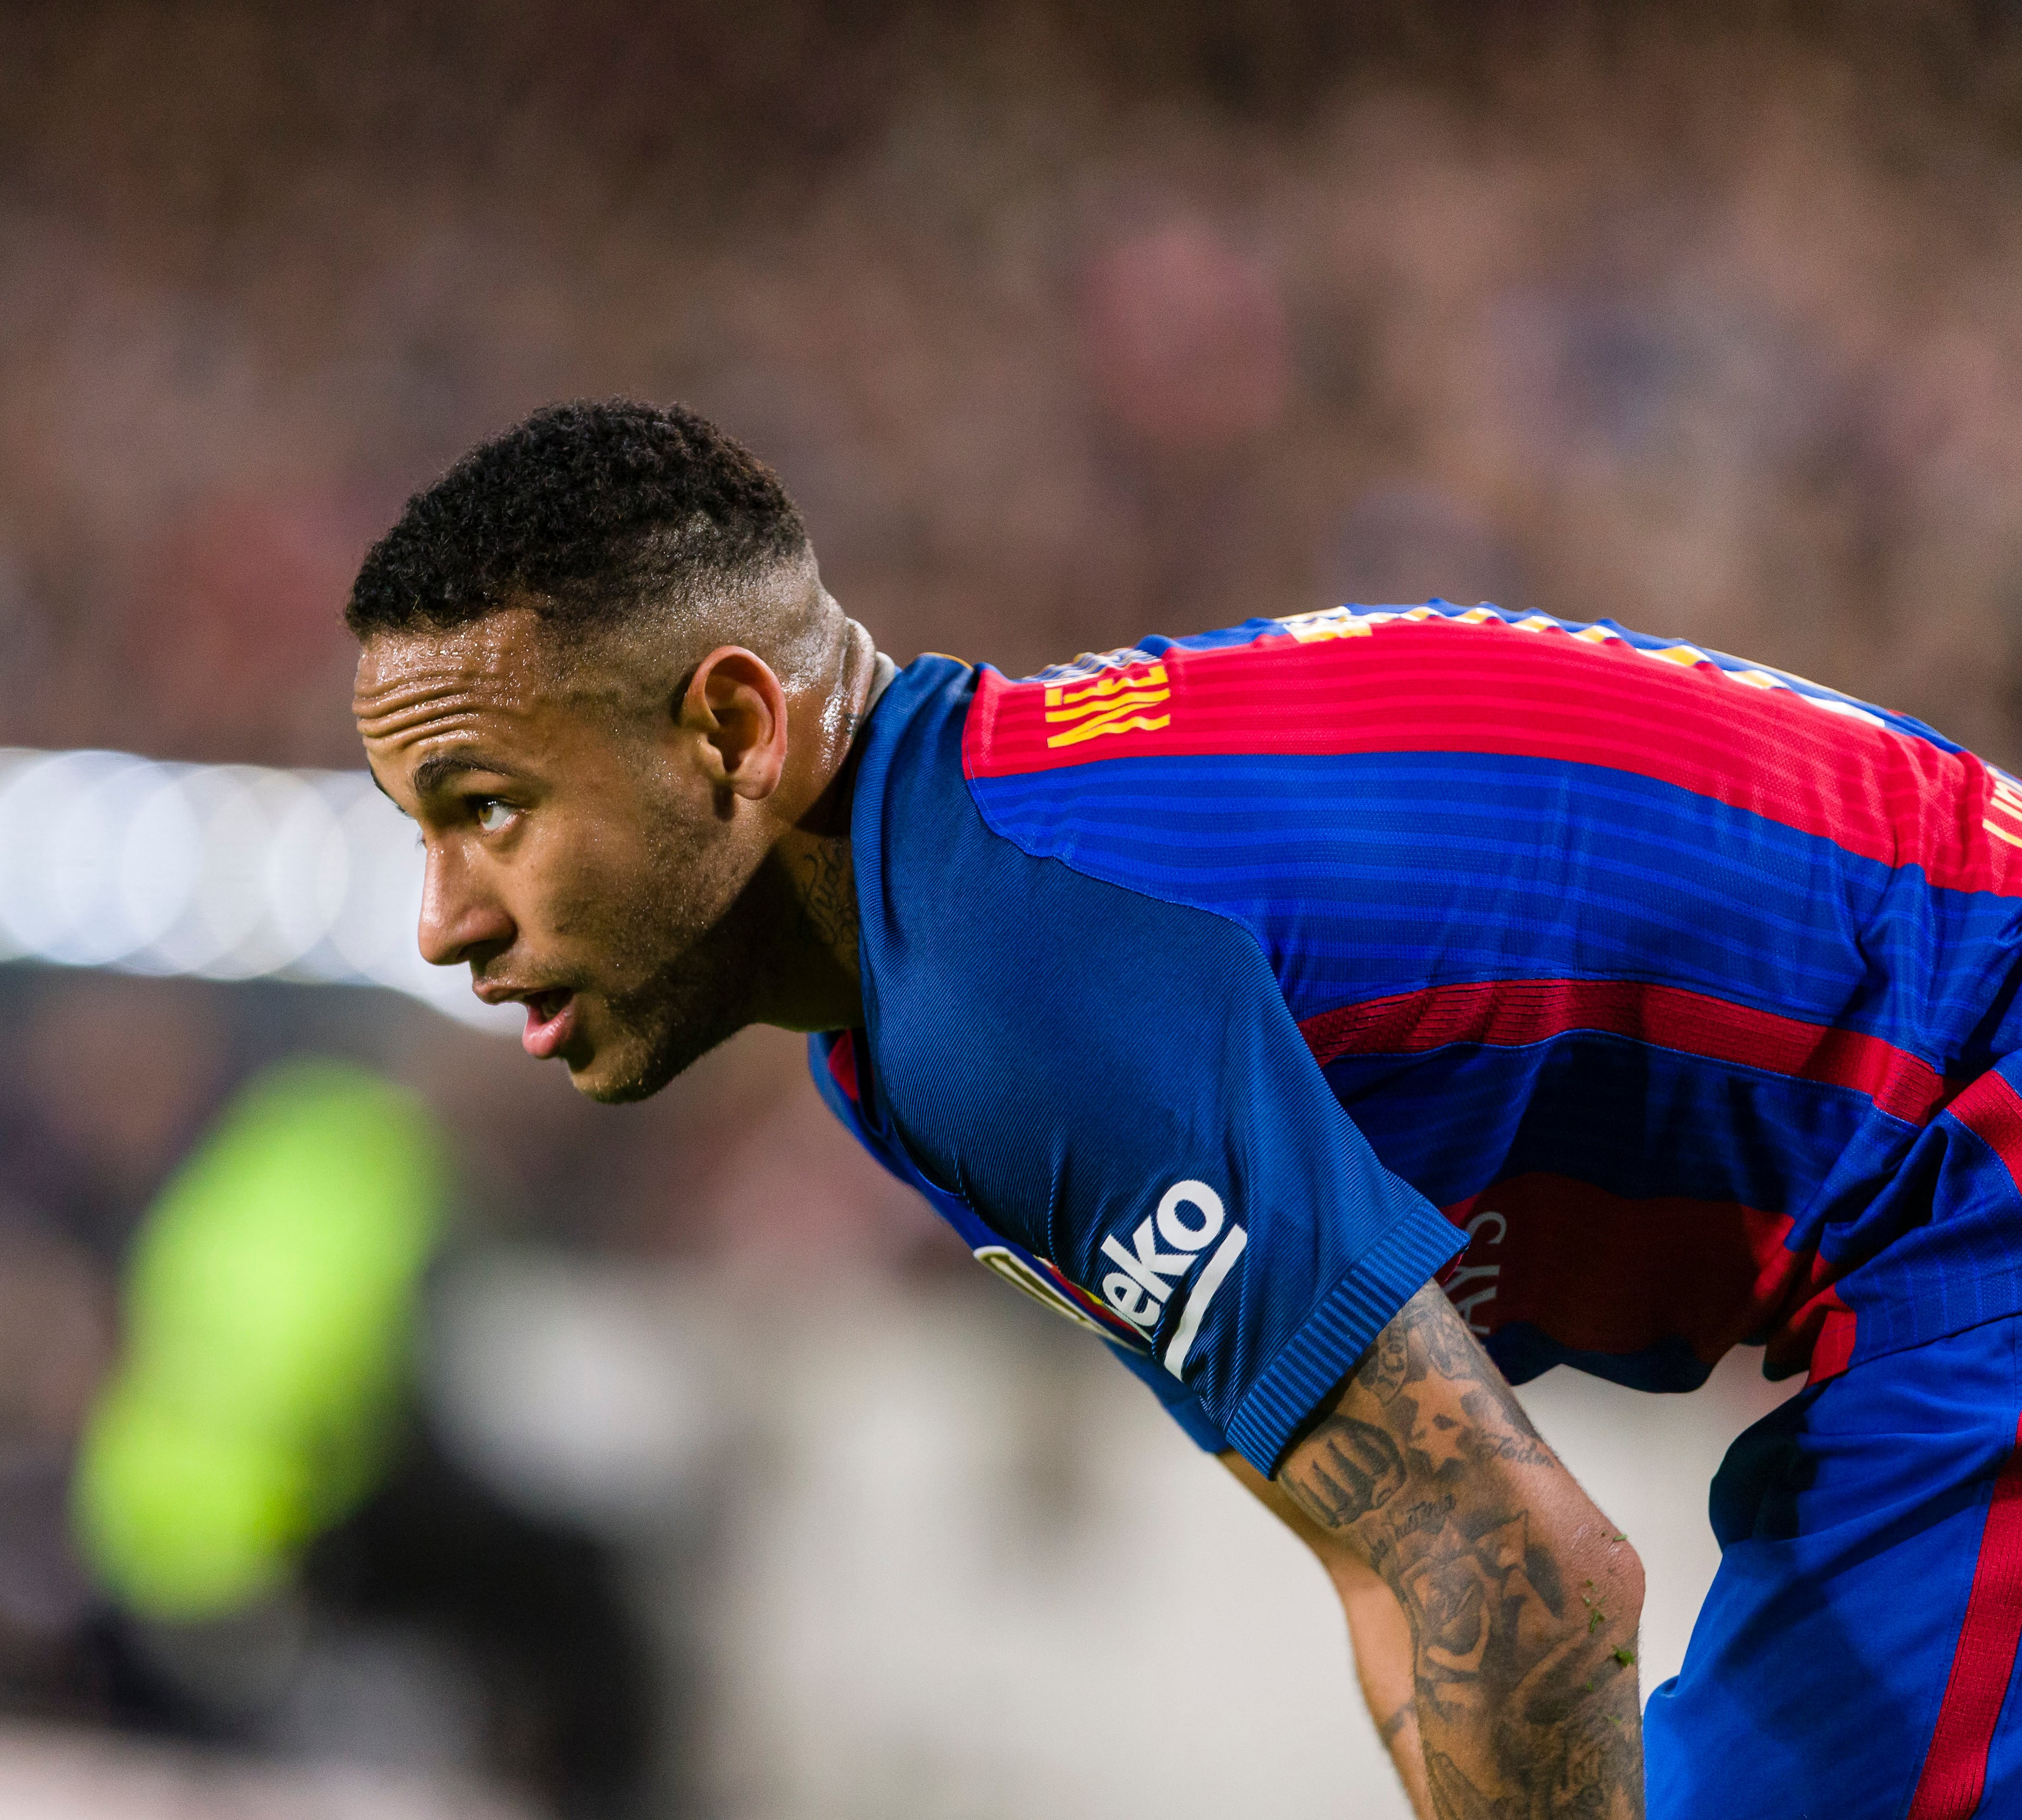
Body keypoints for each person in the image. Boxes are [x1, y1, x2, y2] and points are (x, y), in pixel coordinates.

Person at [346, 397, 2022, 1820]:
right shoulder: (928, 989)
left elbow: (1524, 1589)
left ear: (730, 728)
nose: (445, 918)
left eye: (486, 809)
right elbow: (1392, 1567)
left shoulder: (1014, 992)